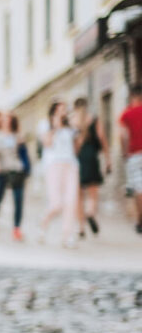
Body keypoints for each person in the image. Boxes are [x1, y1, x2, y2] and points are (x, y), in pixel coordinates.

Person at [39, 100, 80, 247]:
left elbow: (76, 149)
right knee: (57, 203)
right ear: (54, 110)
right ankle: (44, 222)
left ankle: (67, 236)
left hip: (70, 165)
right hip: (53, 165)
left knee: (71, 202)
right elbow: (47, 143)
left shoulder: (70, 127)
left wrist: (77, 127)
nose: (63, 111)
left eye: (65, 108)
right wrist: (55, 127)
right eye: (60, 108)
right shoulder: (45, 124)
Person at [0, 113, 29, 241]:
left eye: (8, 119)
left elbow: (23, 153)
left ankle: (17, 228)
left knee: (18, 200)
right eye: (4, 119)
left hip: (17, 170)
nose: (6, 122)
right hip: (2, 171)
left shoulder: (17, 136)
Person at [72, 97, 110, 236]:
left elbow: (73, 147)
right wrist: (108, 159)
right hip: (92, 158)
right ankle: (90, 213)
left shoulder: (72, 122)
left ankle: (80, 228)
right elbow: (103, 139)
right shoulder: (94, 119)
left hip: (78, 161)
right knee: (93, 194)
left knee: (79, 196)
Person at [118, 84, 142, 234]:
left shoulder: (126, 114)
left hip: (134, 154)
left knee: (138, 188)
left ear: (132, 96)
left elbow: (122, 135)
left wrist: (124, 152)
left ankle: (140, 219)